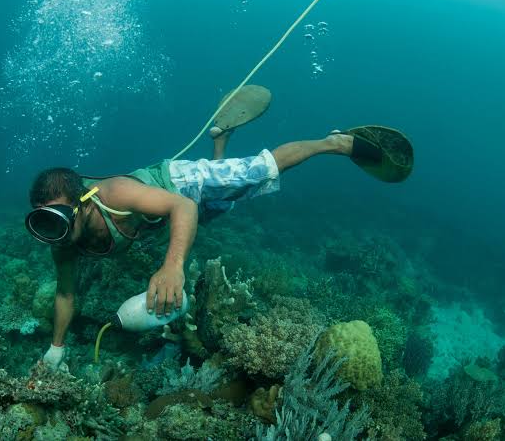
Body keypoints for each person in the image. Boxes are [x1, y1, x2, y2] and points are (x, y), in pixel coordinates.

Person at [25, 88, 413, 371]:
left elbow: (182, 205)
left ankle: (334, 143)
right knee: (224, 204)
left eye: (58, 220)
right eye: (42, 224)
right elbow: (65, 293)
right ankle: (221, 142)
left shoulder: (117, 193)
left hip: (177, 186)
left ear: (83, 202)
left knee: (257, 174)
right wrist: (56, 348)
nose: (54, 234)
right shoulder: (61, 243)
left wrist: (173, 265)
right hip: (166, 218)